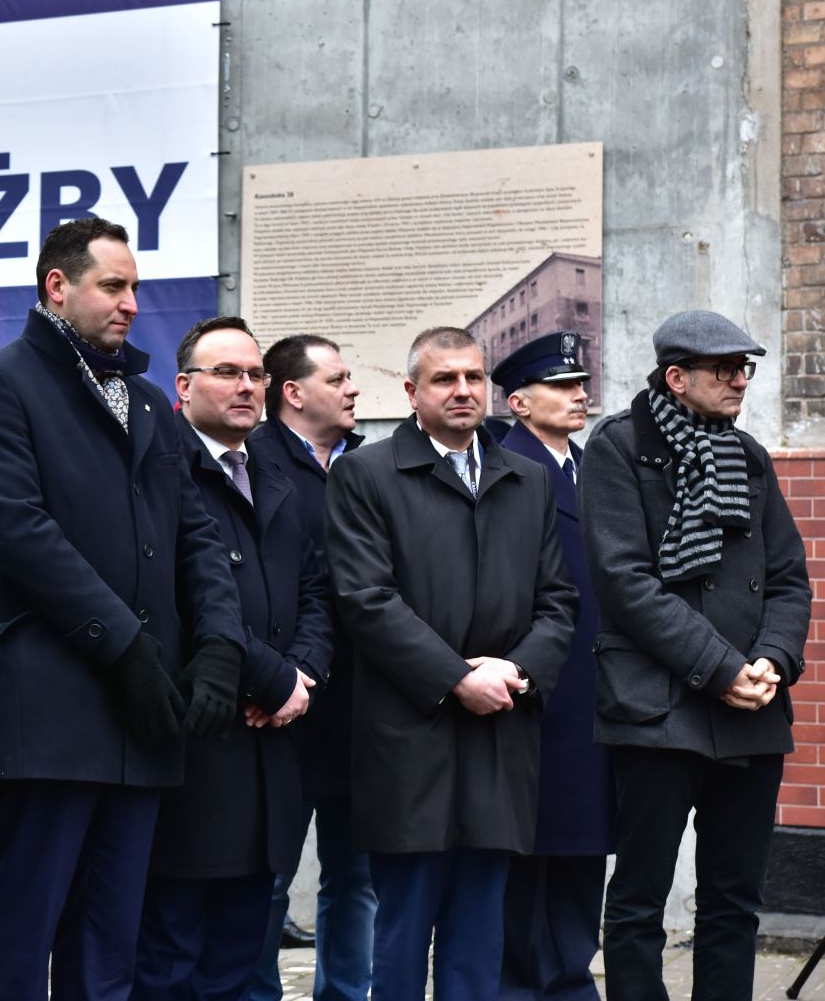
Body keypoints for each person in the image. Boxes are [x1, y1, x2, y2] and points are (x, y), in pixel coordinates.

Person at [0, 217, 245, 1001]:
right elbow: (18, 531)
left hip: (145, 717)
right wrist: (124, 647)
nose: (131, 304)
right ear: (57, 286)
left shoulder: (144, 400)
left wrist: (219, 646)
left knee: (111, 943)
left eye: (135, 287)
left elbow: (194, 535)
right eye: (113, 286)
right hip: (51, 711)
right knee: (25, 936)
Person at [324, 326, 576, 1000]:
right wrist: (457, 678)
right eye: (444, 379)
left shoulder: (527, 480)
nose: (462, 390)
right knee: (401, 934)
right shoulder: (364, 474)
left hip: (500, 734)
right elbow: (366, 600)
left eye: (472, 377)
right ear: (411, 392)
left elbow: (558, 601)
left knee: (478, 935)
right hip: (410, 738)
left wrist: (517, 673)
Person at [580, 310, 811, 1001]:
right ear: (677, 378)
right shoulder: (618, 447)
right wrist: (720, 669)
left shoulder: (748, 455)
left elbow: (787, 578)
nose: (740, 380)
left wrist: (772, 658)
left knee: (734, 902)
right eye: (724, 369)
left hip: (750, 708)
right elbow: (624, 582)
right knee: (638, 901)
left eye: (745, 368)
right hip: (657, 707)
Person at [133, 317, 331, 1001]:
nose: (246, 386)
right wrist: (272, 679)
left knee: (241, 954)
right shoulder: (161, 470)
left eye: (255, 374)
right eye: (226, 373)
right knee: (172, 954)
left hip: (273, 745)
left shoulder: (276, 473)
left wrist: (302, 676)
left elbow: (316, 590)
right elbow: (182, 599)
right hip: (201, 736)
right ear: (183, 386)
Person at [248, 334, 375, 1001]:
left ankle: (345, 994)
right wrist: (282, 676)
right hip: (282, 703)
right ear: (293, 393)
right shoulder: (253, 463)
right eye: (338, 378)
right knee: (266, 874)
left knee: (356, 877)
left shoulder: (366, 465)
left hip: (362, 707)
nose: (352, 389)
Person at [489, 331, 614, 1001]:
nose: (578, 395)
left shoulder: (593, 468)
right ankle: (517, 986)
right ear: (518, 402)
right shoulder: (502, 467)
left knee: (582, 850)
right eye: (561, 386)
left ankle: (569, 981)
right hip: (533, 689)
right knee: (525, 856)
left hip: (596, 693)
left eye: (580, 384)